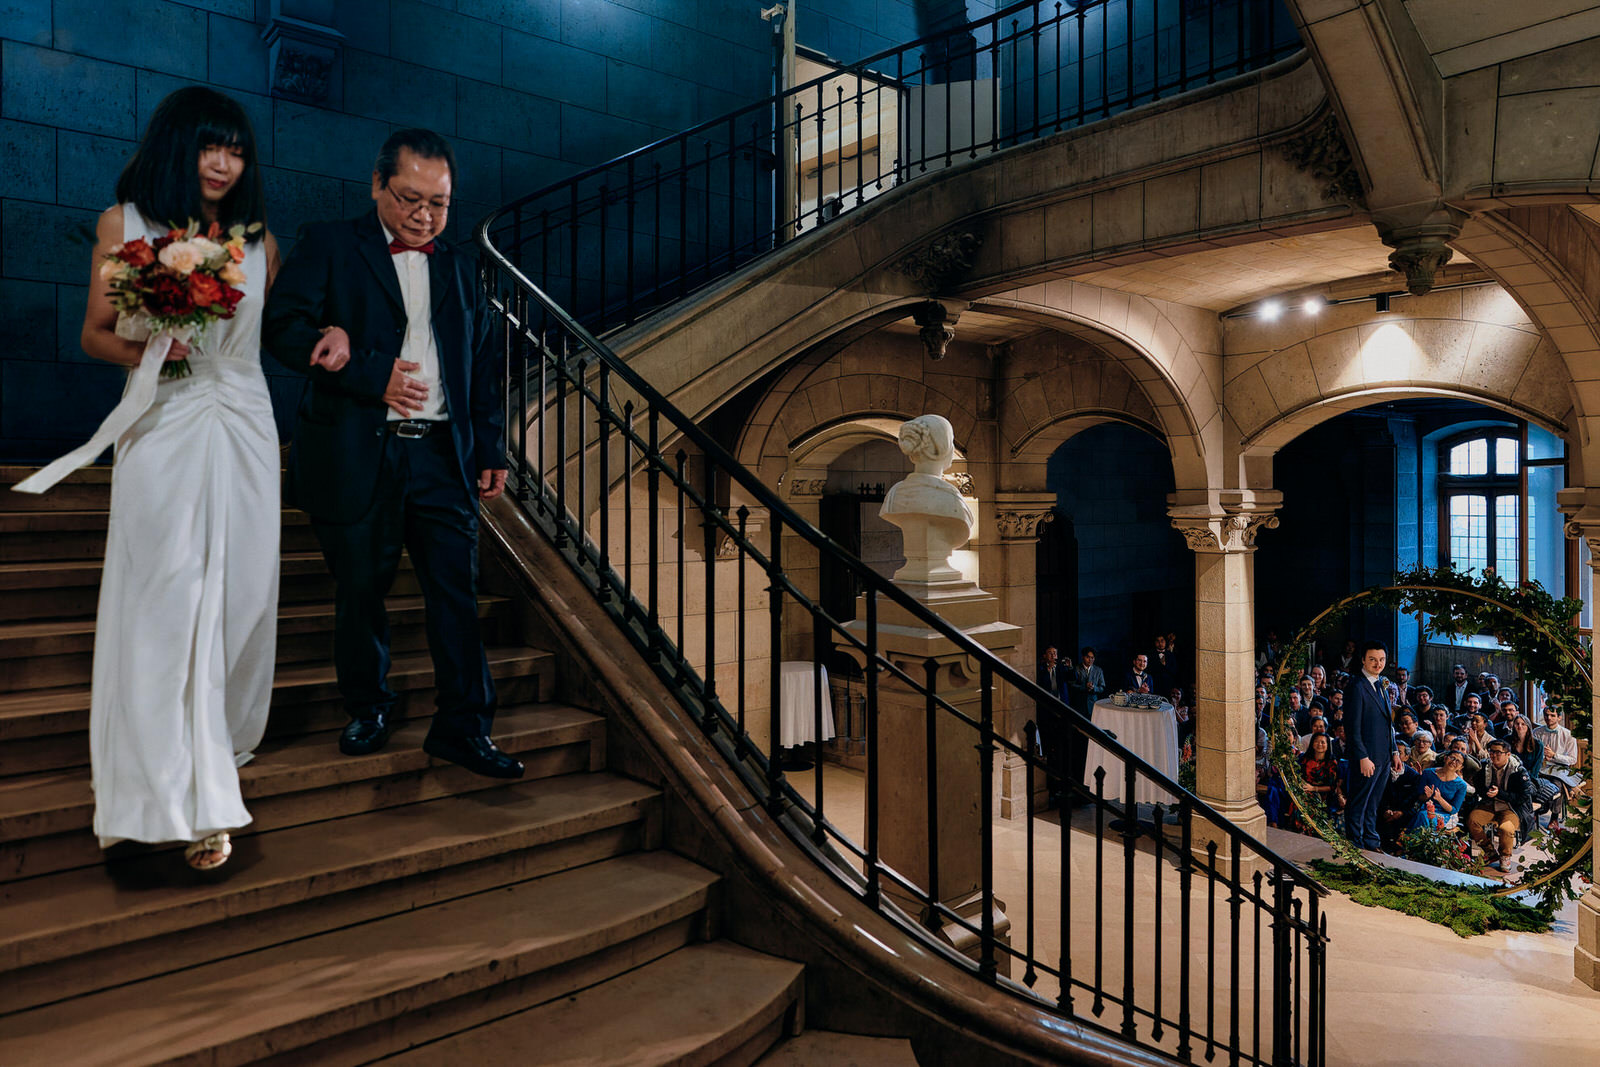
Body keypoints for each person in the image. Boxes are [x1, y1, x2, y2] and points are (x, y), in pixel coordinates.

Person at [263, 128, 520, 779]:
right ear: (378, 186)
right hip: (358, 450)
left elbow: (481, 366)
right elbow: (281, 329)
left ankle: (464, 726)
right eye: (410, 199)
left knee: (455, 595)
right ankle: (369, 705)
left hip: (442, 456)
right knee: (361, 592)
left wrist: (490, 446)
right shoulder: (328, 244)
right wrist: (363, 368)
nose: (425, 215)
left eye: (439, 203)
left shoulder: (462, 265)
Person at [71, 88, 281, 870]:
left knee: (245, 594)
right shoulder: (124, 224)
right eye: (208, 147)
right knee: (166, 594)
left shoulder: (261, 242)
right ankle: (164, 790)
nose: (224, 163)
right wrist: (162, 349)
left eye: (236, 150)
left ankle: (216, 746)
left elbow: (272, 336)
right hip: (165, 421)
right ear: (177, 146)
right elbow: (96, 335)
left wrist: (332, 333)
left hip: (249, 423)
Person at [1344, 640, 1395, 852]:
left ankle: (1371, 843)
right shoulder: (1356, 686)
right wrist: (1362, 756)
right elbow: (1352, 728)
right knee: (1359, 802)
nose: (1378, 663)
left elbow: (1387, 722)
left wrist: (1394, 751)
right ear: (1363, 659)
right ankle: (1355, 845)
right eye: (1372, 659)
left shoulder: (1381, 682)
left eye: (1381, 659)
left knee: (1374, 803)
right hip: (1366, 757)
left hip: (1384, 755)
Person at [1467, 737, 1534, 874]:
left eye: (1498, 752)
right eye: (1491, 752)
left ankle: (1505, 856)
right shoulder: (1485, 766)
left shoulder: (1519, 771)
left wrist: (1500, 794)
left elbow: (1523, 797)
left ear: (1508, 755)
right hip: (1490, 804)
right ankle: (1490, 852)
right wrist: (1487, 793)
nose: (1494, 755)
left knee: (1506, 829)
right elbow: (1478, 787)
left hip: (1511, 807)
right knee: (1473, 820)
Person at [1377, 743, 1423, 850]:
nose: (1395, 756)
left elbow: (1413, 798)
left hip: (1403, 813)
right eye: (1393, 753)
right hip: (1382, 810)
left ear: (1406, 757)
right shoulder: (1380, 771)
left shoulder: (1413, 775)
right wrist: (1385, 809)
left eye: (1399, 753)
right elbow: (1378, 793)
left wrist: (1401, 812)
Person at [1412, 751, 1468, 830]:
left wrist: (1439, 799)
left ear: (1461, 767)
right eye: (1452, 758)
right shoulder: (1428, 773)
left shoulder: (1461, 785)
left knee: (1425, 817)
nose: (1453, 762)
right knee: (1423, 815)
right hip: (1425, 808)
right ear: (1445, 758)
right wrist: (1427, 796)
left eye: (1458, 761)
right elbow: (1419, 797)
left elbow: (1454, 810)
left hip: (1444, 814)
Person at [1533, 705, 1579, 770]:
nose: (1549, 718)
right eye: (1546, 715)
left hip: (1560, 768)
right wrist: (1542, 757)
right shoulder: (1536, 732)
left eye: (1552, 715)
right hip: (1540, 766)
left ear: (1559, 718)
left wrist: (1554, 755)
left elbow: (1573, 760)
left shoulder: (1568, 735)